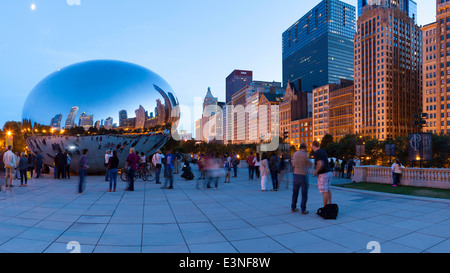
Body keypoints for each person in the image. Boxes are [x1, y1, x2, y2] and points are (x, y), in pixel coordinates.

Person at [312, 140, 333, 208]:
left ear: (313, 146)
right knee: (328, 189)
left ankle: (325, 208)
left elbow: (320, 163)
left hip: (323, 174)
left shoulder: (317, 153)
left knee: (324, 191)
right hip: (329, 172)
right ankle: (330, 206)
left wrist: (315, 171)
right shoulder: (323, 151)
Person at [291, 143, 311, 214]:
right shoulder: (306, 154)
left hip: (296, 175)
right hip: (303, 175)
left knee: (295, 193)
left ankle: (293, 207)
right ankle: (303, 209)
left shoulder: (295, 154)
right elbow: (309, 164)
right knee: (304, 193)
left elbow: (293, 164)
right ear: (305, 147)